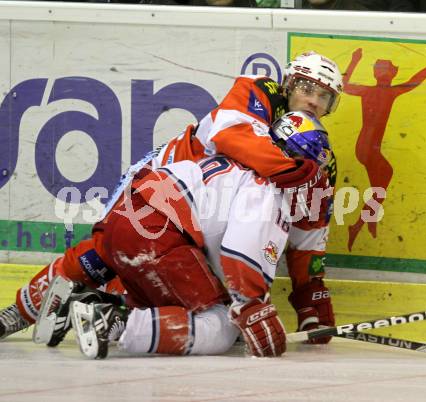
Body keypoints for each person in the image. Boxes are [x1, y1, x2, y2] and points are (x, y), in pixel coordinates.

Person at [0, 51, 343, 348]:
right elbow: (231, 137)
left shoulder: (313, 158)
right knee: (104, 253)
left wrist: (310, 301)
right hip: (162, 183)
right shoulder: (259, 91)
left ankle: (103, 310)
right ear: (288, 85)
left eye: (324, 97)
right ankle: (21, 311)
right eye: (306, 88)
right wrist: (293, 170)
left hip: (199, 215)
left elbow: (308, 234)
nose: (313, 100)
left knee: (186, 300)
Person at [38, 111, 334, 359]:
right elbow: (240, 251)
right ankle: (115, 322)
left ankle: (85, 302)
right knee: (220, 328)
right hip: (156, 235)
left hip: (127, 221)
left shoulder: (241, 161)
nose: (318, 181)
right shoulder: (266, 187)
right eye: (316, 169)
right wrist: (251, 308)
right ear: (299, 159)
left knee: (174, 309)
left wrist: (242, 304)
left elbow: (220, 253)